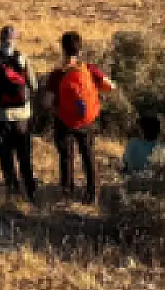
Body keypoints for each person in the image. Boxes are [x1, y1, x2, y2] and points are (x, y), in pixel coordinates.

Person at [41, 32, 114, 204]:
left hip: (64, 120)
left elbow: (46, 102)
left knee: (66, 156)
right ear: (80, 48)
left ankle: (67, 194)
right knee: (88, 155)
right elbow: (111, 86)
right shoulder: (89, 69)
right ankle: (92, 193)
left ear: (63, 49)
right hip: (87, 120)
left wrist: (57, 110)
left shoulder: (58, 74)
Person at [0, 26, 38, 201]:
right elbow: (33, 85)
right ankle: (31, 191)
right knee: (24, 155)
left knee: (5, 156)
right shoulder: (23, 58)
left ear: (0, 39)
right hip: (21, 117)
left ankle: (13, 190)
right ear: (15, 39)